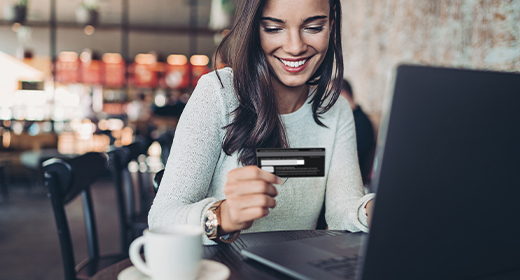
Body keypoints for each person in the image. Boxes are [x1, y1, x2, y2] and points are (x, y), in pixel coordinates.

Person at [148, 0, 375, 245]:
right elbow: (162, 216)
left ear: (331, 25)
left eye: (314, 27)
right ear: (254, 29)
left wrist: (373, 209)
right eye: (274, 28)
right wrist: (223, 215)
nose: (295, 47)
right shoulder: (219, 93)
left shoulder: (335, 109)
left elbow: (344, 209)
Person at [340, 79, 376, 185]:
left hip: (354, 182)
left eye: (330, 96)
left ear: (343, 95)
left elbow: (349, 161)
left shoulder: (360, 123)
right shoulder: (353, 118)